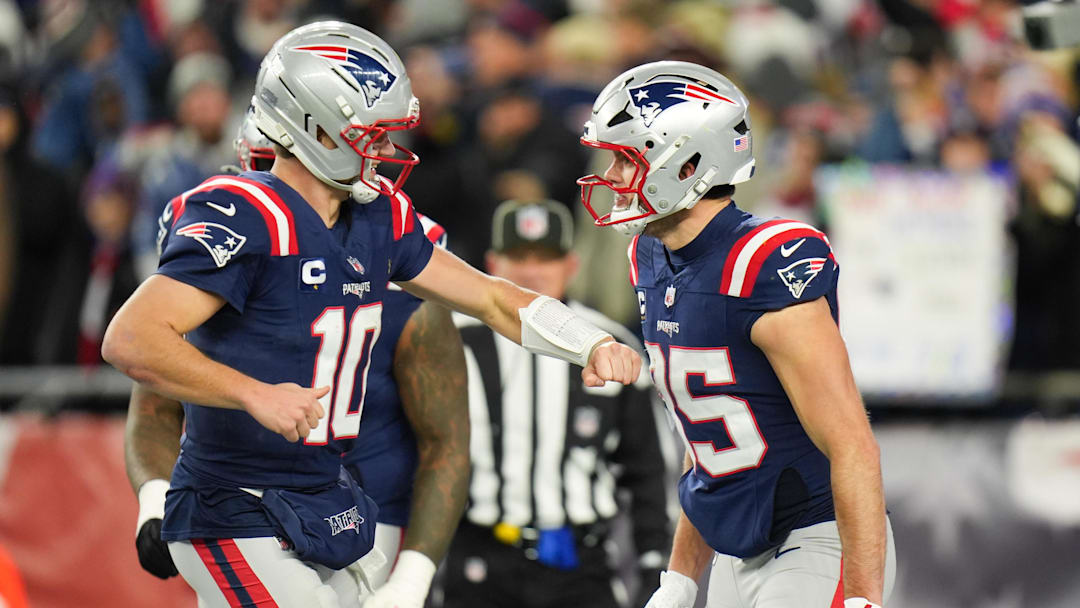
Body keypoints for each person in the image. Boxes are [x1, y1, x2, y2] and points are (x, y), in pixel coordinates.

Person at [102, 20, 640, 608]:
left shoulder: (378, 216)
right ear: (316, 128)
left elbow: (487, 295)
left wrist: (587, 342)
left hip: (327, 497)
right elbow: (130, 338)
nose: (386, 152)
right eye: (373, 134)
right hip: (234, 500)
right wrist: (254, 393)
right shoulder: (246, 213)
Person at [575, 61, 895, 608]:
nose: (611, 177)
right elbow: (710, 446)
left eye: (625, 160)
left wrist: (863, 597)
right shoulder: (649, 254)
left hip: (816, 539)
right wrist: (679, 577)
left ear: (685, 163)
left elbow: (852, 445)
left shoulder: (763, 262)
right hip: (736, 552)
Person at [126, 109, 471, 600]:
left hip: (366, 516)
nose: (286, 189)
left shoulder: (389, 243)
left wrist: (412, 577)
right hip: (245, 506)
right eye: (270, 168)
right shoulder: (223, 238)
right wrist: (156, 499)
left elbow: (448, 441)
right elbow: (153, 401)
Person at [442, 199, 672, 608]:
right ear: (492, 264)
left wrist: (655, 560)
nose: (531, 270)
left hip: (580, 563)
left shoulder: (610, 343)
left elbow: (645, 468)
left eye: (545, 258)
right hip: (481, 558)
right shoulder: (452, 340)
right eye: (518, 256)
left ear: (571, 265)